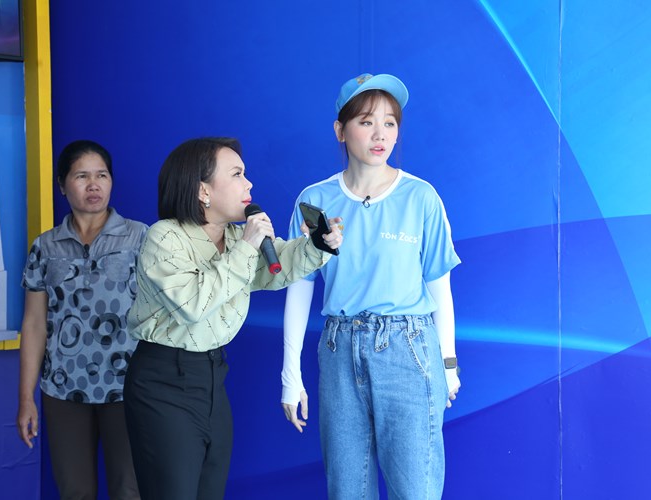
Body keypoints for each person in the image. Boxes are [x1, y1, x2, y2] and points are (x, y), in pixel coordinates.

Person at [122, 137, 343, 500]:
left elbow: (277, 267)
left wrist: (318, 244)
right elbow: (193, 304)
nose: (249, 184)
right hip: (163, 382)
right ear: (203, 191)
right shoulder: (165, 237)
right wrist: (246, 247)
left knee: (210, 491)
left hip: (212, 376)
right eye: (237, 174)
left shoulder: (237, 236)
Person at [280, 73, 462, 500]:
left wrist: (449, 363)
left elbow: (440, 288)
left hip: (408, 348)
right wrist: (291, 374)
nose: (380, 134)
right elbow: (298, 287)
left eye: (390, 123)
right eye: (366, 122)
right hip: (339, 350)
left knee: (416, 490)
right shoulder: (314, 201)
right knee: (347, 490)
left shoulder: (421, 197)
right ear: (340, 130)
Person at [17, 140, 146, 500]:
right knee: (74, 491)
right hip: (63, 388)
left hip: (127, 386)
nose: (93, 185)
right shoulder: (45, 246)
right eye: (82, 176)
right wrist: (26, 398)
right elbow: (34, 325)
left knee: (130, 490)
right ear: (62, 185)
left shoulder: (141, 237)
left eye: (101, 175)